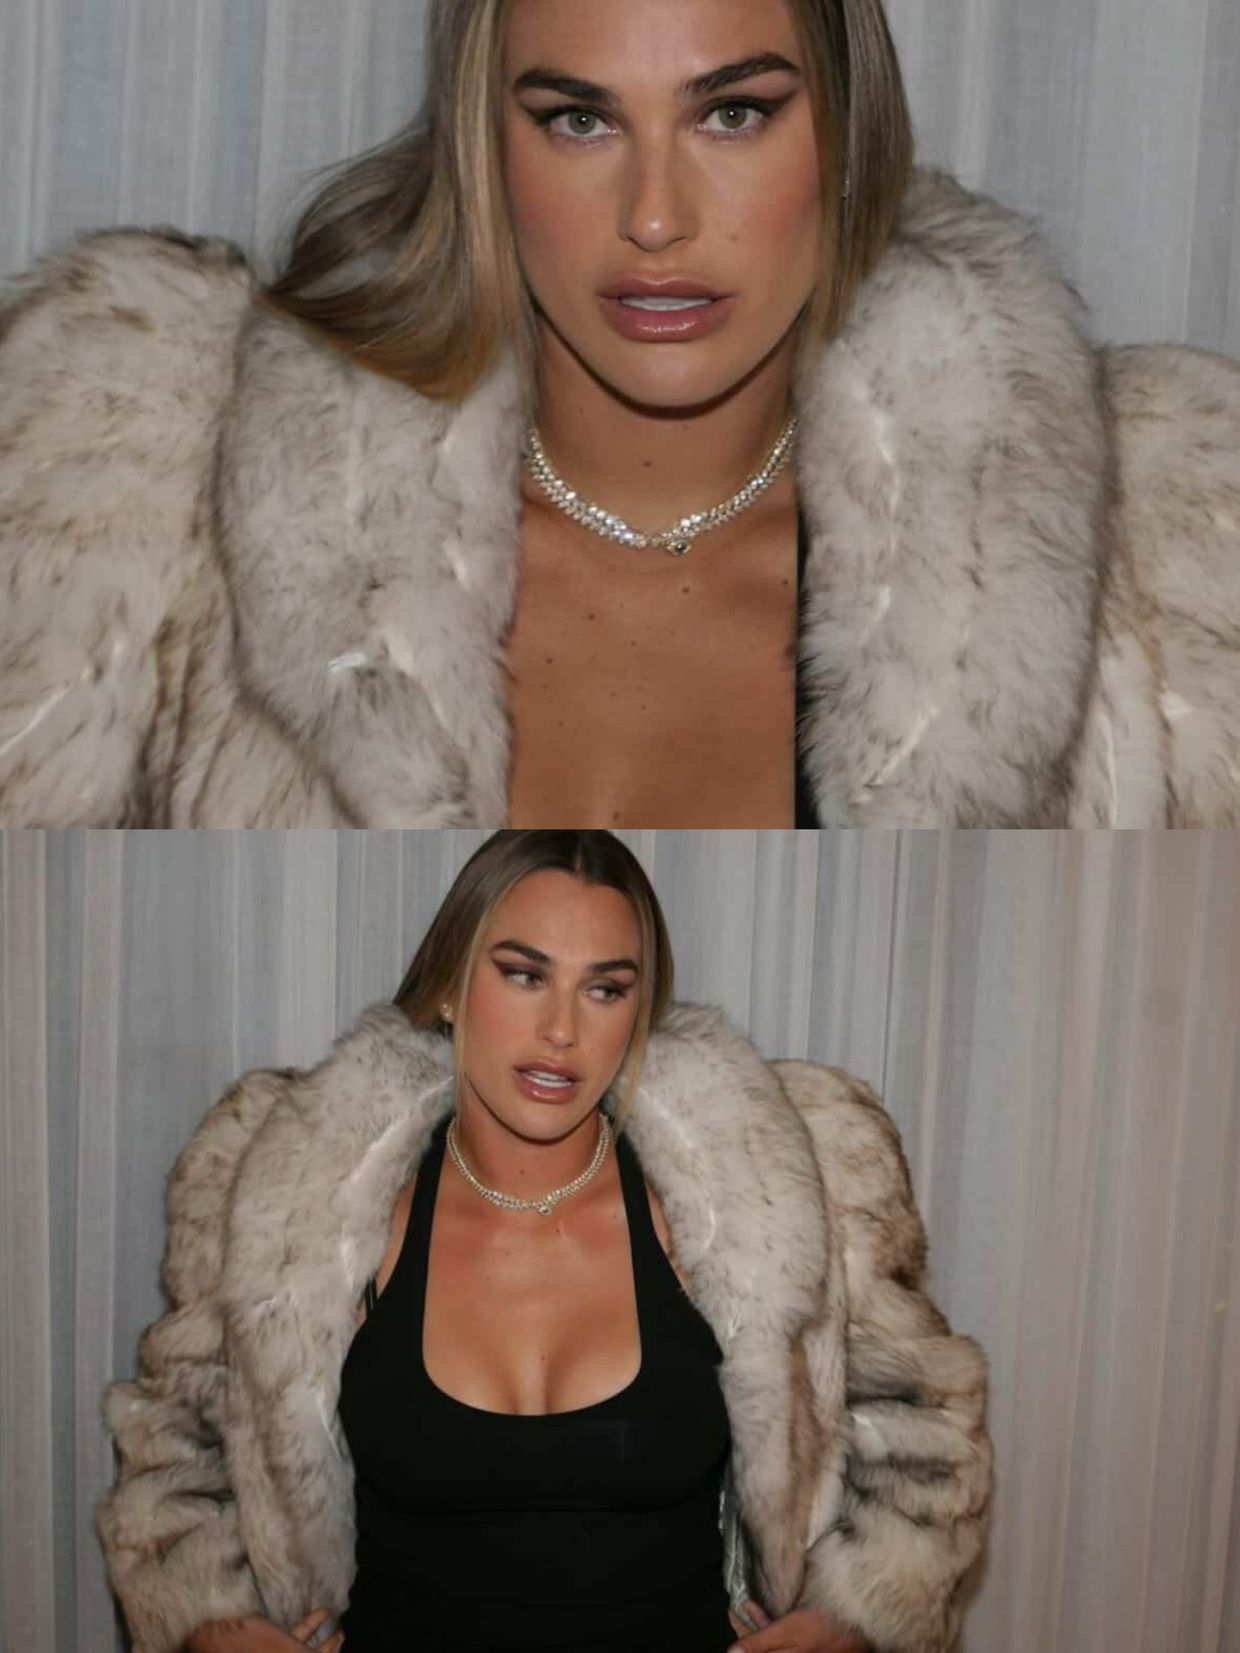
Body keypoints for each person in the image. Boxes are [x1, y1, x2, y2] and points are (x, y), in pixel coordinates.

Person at [6, 2, 1234, 831]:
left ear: (849, 133)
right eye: (579, 119)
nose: (655, 216)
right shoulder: (136, 501)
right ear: (484, 151)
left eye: (732, 112)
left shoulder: (1166, 581)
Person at [95, 829, 993, 1653]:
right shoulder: (297, 1205)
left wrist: (854, 1615)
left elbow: (921, 1431)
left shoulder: (764, 1200)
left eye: (605, 988)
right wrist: (209, 1622)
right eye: (525, 974)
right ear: (451, 985)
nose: (563, 1029)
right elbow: (178, 1446)